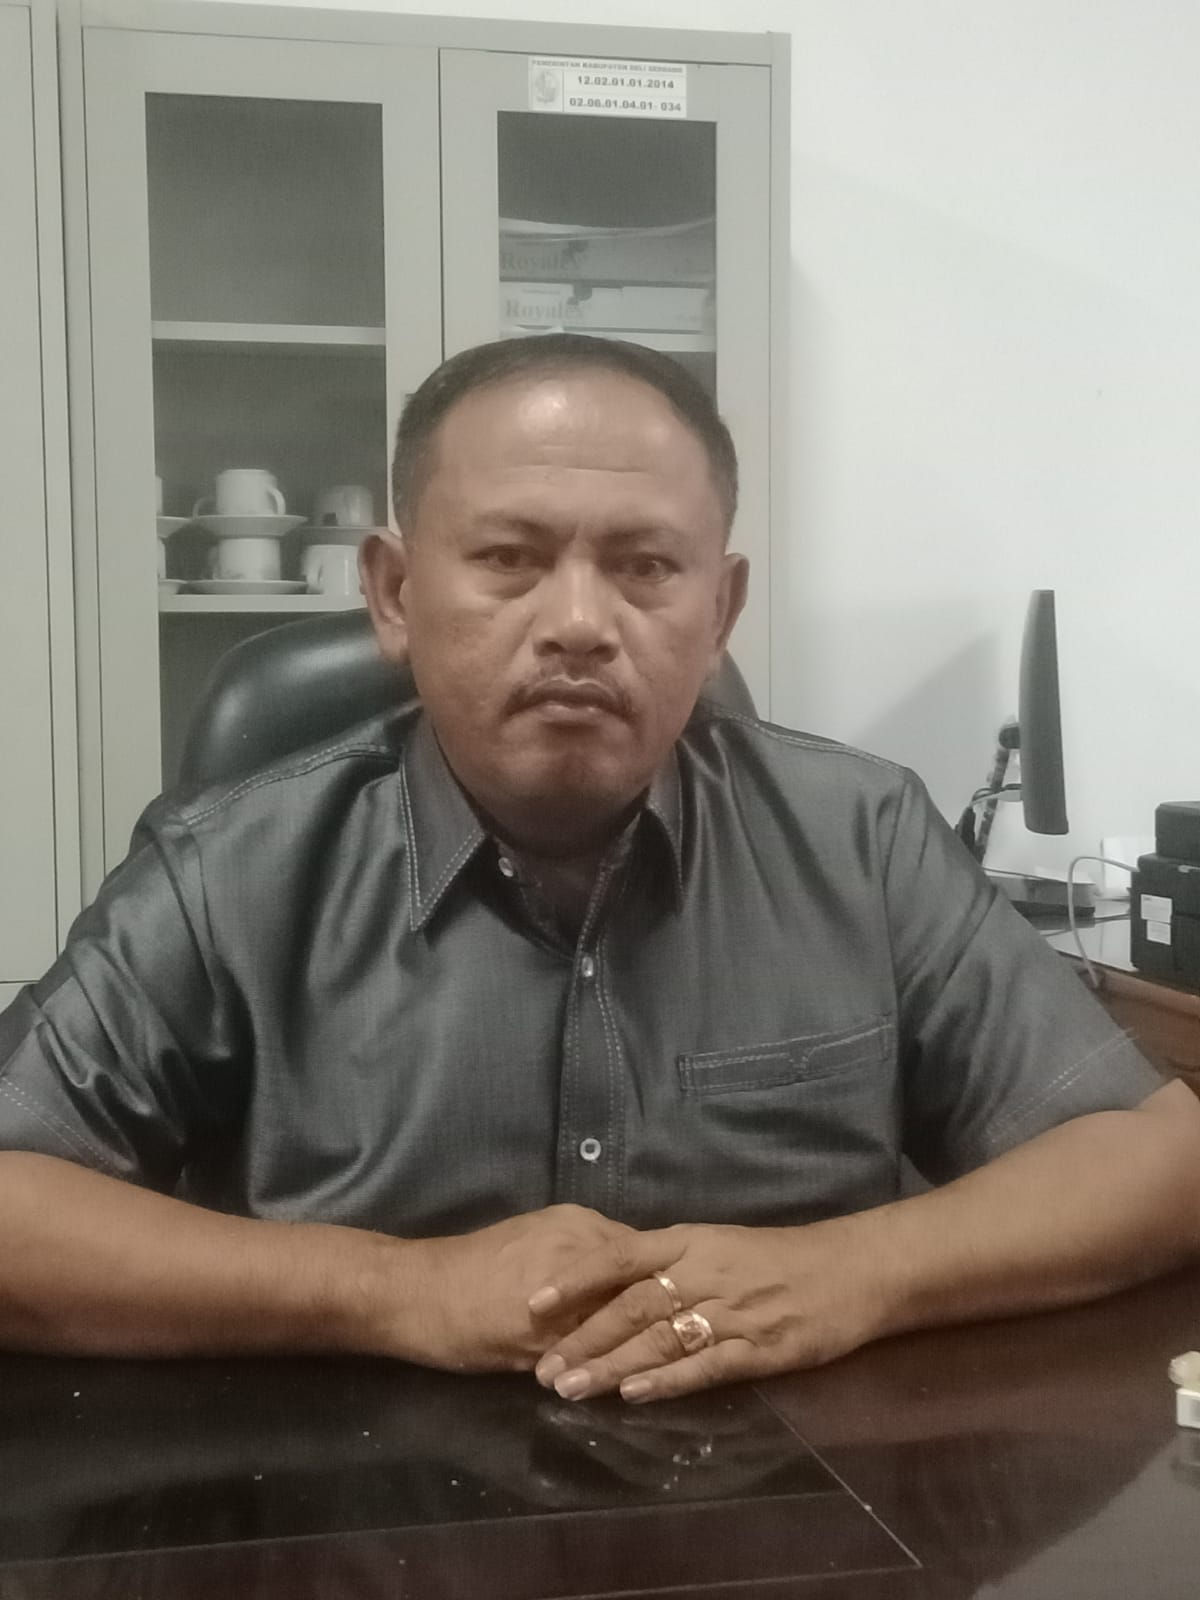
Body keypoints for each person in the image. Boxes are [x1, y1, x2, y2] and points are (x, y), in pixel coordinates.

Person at [1, 335, 1198, 1406]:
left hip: (793, 1504)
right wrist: (394, 1290)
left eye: (646, 566)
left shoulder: (860, 838)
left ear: (719, 609)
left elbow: (1159, 1157)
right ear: (395, 593)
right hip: (356, 1509)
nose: (579, 620)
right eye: (510, 557)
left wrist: (846, 1271)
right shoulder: (234, 870)